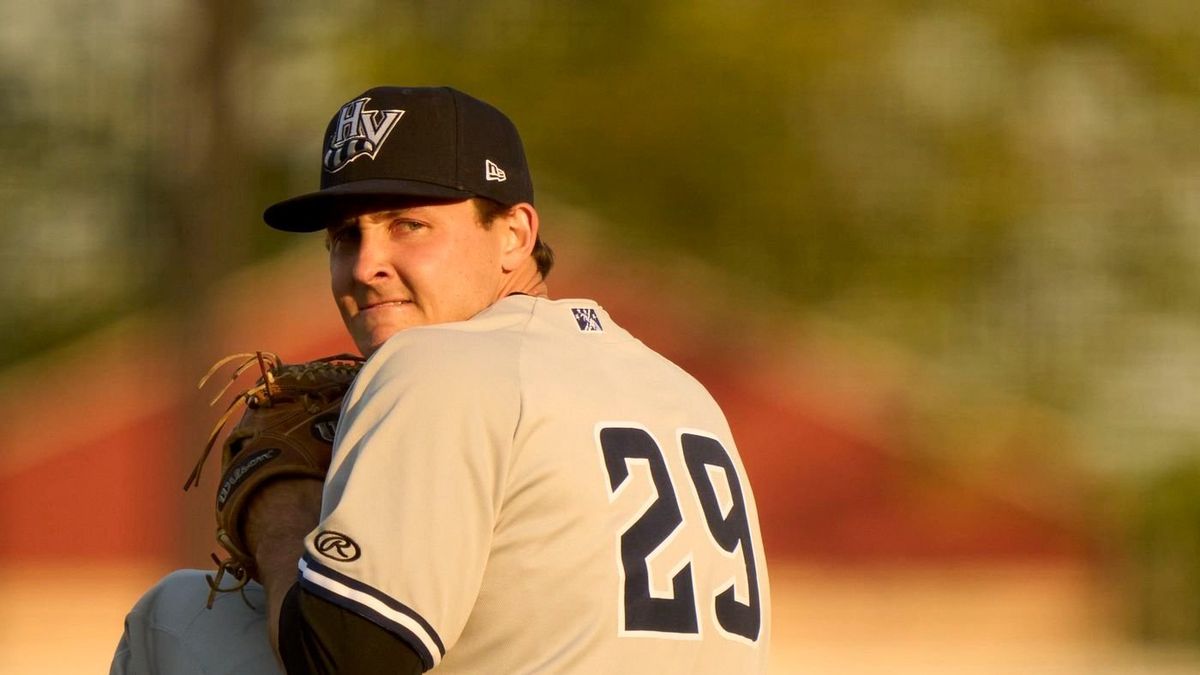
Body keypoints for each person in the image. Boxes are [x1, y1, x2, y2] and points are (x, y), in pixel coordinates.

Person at [111, 86, 771, 674]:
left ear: (513, 233)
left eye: (408, 225)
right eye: (346, 236)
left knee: (172, 614)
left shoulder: (435, 362)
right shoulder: (682, 391)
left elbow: (345, 660)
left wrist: (280, 511)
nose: (366, 264)